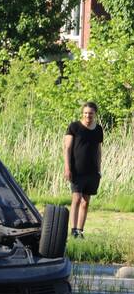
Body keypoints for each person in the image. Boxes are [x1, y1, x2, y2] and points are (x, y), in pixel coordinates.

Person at [64, 101, 104, 239]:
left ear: (95, 114)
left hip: (92, 171)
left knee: (86, 201)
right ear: (83, 113)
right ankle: (73, 229)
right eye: (86, 113)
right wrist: (67, 167)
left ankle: (80, 231)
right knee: (76, 198)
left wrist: (99, 169)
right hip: (76, 170)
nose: (88, 116)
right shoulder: (74, 127)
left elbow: (99, 151)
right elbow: (67, 148)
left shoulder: (98, 129)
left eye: (91, 113)